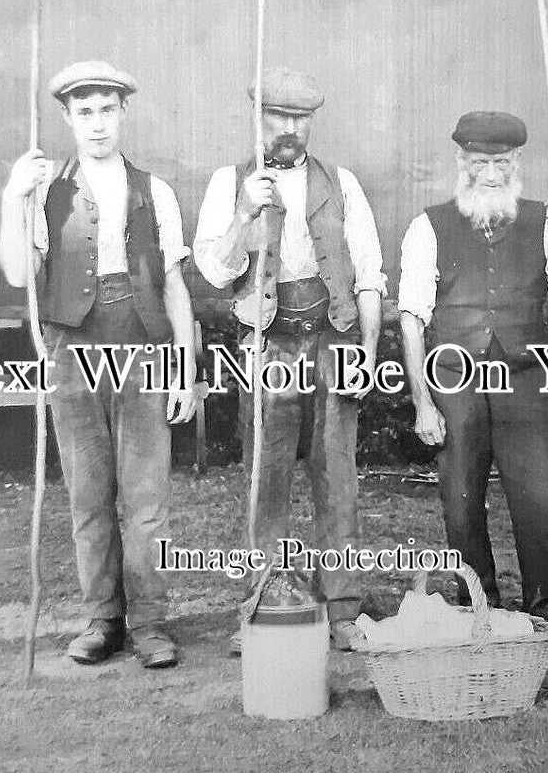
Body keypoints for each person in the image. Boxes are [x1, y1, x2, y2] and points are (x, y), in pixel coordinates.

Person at [0, 61, 197, 667]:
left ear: (124, 113)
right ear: (66, 118)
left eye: (108, 110)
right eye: (84, 112)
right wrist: (14, 197)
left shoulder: (154, 190)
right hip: (71, 349)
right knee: (88, 493)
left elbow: (172, 286)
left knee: (146, 497)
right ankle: (101, 618)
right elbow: (15, 273)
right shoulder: (45, 190)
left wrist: (185, 366)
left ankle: (152, 624)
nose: (97, 124)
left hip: (142, 346)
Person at [192, 67, 386, 654]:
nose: (290, 129)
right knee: (265, 477)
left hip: (334, 337)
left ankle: (345, 606)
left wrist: (369, 357)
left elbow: (371, 275)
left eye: (300, 119)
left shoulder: (342, 184)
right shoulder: (231, 184)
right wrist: (244, 216)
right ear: (258, 119)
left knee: (338, 477)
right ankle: (260, 602)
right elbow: (214, 270)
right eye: (278, 117)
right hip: (267, 342)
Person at [397, 110, 548, 654]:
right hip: (454, 377)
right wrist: (422, 401)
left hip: (528, 377)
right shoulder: (429, 225)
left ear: (517, 164)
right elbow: (412, 316)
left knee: (544, 497)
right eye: (480, 162)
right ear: (462, 164)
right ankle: (477, 609)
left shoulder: (545, 221)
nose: (491, 173)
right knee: (461, 502)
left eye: (502, 162)